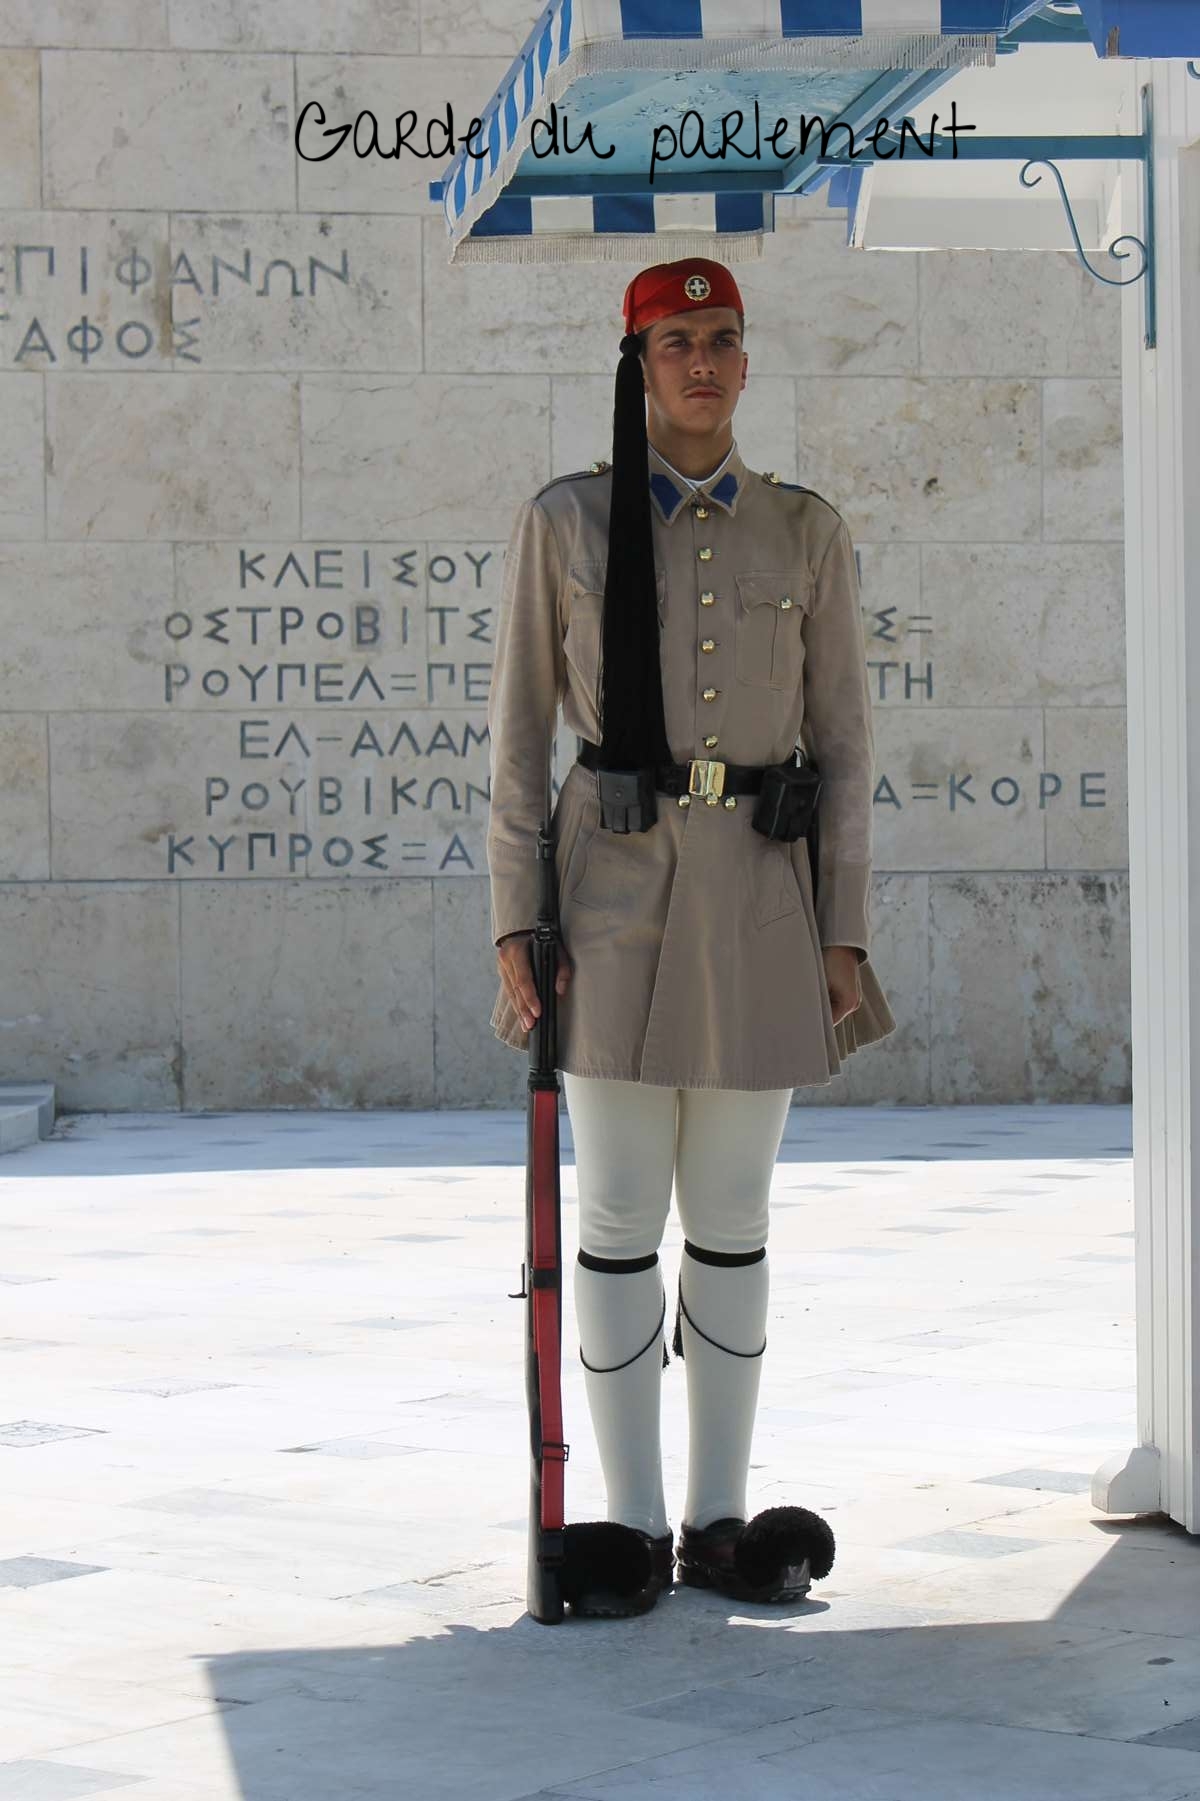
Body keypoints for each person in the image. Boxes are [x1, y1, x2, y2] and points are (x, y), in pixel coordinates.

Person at [486, 257, 896, 1617]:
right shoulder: (569, 520)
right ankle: (632, 1524)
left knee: (732, 1217)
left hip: (761, 904)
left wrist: (843, 930)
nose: (703, 364)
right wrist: (512, 923)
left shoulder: (805, 530)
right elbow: (516, 742)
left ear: (745, 357)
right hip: (607, 902)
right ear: (638, 363)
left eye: (722, 339)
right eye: (676, 344)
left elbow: (841, 746)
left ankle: (721, 1519)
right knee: (613, 1216)